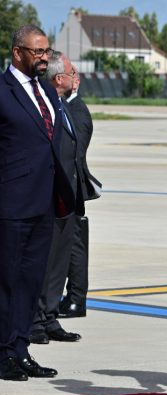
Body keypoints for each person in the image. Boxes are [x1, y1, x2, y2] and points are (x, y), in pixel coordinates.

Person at [0, 25, 75, 381]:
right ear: (18, 53)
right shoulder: (3, 91)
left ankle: (20, 348)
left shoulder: (46, 91)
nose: (45, 58)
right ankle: (2, 353)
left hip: (45, 202)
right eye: (38, 52)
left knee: (31, 280)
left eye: (47, 51)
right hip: (10, 204)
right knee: (6, 281)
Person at [30, 51, 83, 345]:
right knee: (45, 261)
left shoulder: (62, 105)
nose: (76, 76)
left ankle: (50, 317)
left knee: (60, 262)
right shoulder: (45, 106)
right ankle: (36, 321)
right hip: (49, 195)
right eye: (71, 71)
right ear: (59, 78)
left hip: (67, 196)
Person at [59, 64, 102, 319]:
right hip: (65, 190)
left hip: (72, 190)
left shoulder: (78, 112)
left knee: (76, 248)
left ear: (76, 82)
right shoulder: (65, 108)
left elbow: (76, 154)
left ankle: (76, 299)